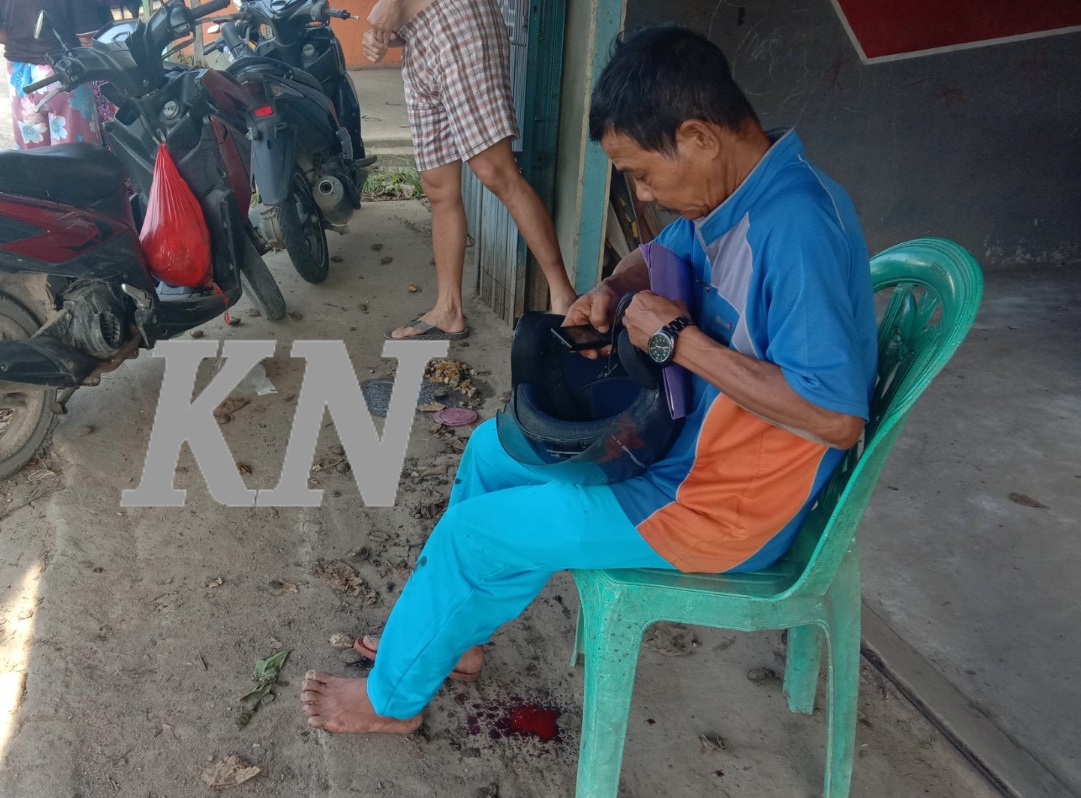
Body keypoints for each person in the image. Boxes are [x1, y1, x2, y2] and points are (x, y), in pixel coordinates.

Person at [300, 24, 878, 734]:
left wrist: (676, 341)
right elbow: (663, 252)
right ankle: (455, 636)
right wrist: (612, 287)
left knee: (475, 537)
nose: (645, 194)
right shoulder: (737, 192)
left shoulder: (794, 231)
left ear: (698, 137)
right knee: (489, 450)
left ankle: (390, 704)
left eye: (642, 173)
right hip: (679, 457)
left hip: (716, 508)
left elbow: (834, 419)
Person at [363, 0, 578, 341]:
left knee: (496, 171)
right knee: (438, 187)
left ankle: (564, 296)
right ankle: (448, 309)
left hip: (454, 17)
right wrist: (383, 32)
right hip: (417, 38)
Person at [0, 0, 111, 149]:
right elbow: (87, 39)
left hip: (20, 77)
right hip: (67, 74)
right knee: (75, 152)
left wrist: (20, 44)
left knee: (32, 155)